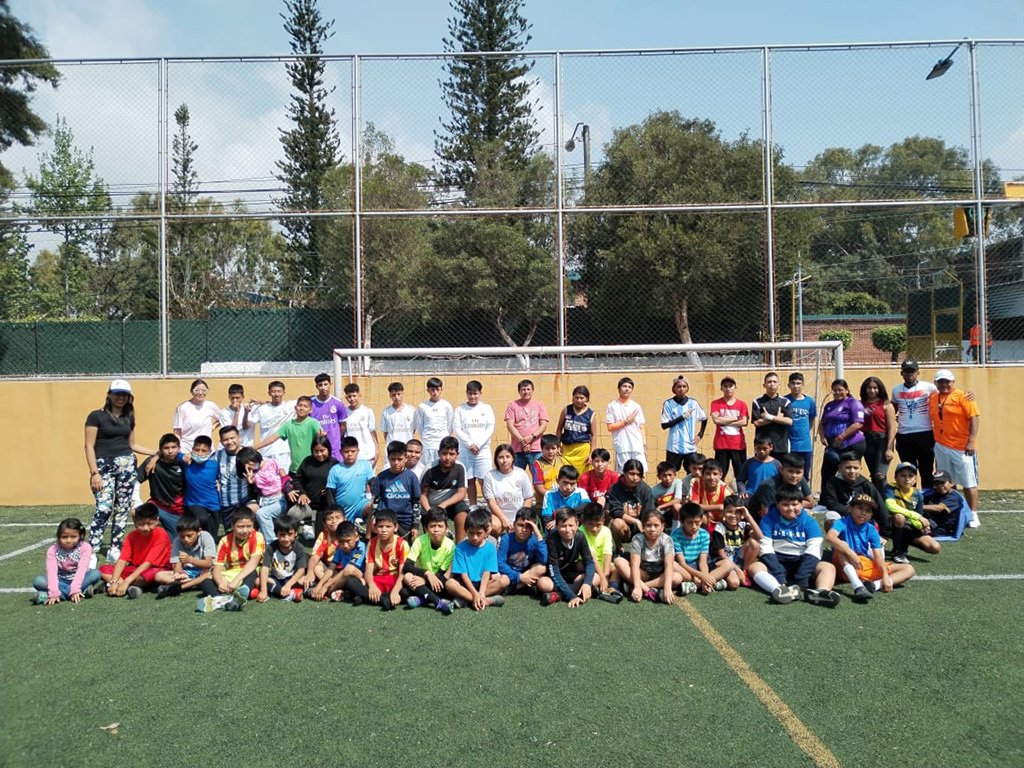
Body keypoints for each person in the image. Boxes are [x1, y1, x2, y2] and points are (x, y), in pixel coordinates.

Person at [84, 378, 156, 567]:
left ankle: (115, 548)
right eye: (117, 394)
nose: (120, 398)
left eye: (124, 394)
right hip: (103, 468)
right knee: (104, 508)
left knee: (123, 508)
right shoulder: (96, 416)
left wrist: (155, 452)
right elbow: (89, 446)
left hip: (127, 467)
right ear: (109, 395)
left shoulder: (129, 417)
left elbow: (132, 445)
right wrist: (94, 473)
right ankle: (92, 549)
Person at [747, 487, 840, 607]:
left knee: (828, 567)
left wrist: (802, 578)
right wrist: (779, 576)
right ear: (777, 505)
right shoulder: (768, 520)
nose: (790, 508)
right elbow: (766, 549)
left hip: (802, 561)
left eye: (795, 504)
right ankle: (779, 590)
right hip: (777, 561)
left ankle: (820, 593)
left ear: (802, 504)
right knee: (755, 567)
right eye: (785, 504)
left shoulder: (809, 521)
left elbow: (814, 550)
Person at [827, 493, 915, 601]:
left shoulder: (871, 528)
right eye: (859, 508)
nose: (863, 513)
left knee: (909, 569)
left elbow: (878, 556)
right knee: (842, 545)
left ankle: (874, 586)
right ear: (850, 508)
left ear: (871, 515)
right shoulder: (842, 522)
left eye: (868, 511)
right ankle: (857, 586)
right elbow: (830, 537)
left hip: (862, 564)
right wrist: (850, 553)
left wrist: (885, 577)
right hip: (844, 566)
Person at [928, 369, 981, 517]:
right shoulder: (932, 398)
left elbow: (975, 418)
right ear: (935, 383)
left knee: (969, 481)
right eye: (941, 381)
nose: (944, 384)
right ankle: (955, 511)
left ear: (953, 382)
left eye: (947, 381)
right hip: (941, 445)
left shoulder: (964, 397)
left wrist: (971, 441)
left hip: (962, 447)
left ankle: (973, 514)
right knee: (947, 482)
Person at [97, 503, 171, 599]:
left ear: (157, 521)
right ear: (135, 522)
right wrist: (114, 581)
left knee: (152, 575)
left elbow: (148, 563)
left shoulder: (161, 535)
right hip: (137, 570)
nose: (145, 528)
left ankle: (123, 585)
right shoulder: (131, 536)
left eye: (149, 524)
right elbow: (122, 560)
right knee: (103, 570)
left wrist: (127, 581)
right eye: (141, 524)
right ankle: (128, 586)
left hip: (156, 569)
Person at [197, 507, 264, 612]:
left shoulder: (257, 536)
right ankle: (225, 600)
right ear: (232, 526)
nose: (245, 530)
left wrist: (235, 581)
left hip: (248, 574)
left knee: (253, 573)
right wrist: (220, 583)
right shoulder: (225, 540)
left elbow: (254, 562)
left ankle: (225, 598)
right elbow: (217, 566)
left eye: (249, 526)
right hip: (231, 575)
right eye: (240, 527)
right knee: (205, 582)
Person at [445, 508, 508, 610]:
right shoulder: (460, 548)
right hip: (465, 584)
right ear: (466, 531)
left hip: (483, 585)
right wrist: (475, 594)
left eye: (479, 533)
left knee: (504, 580)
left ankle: (466, 599)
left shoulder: (490, 548)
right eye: (471, 533)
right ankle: (486, 601)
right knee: (450, 584)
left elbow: (486, 572)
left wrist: (481, 593)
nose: (475, 537)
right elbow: (463, 574)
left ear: (486, 532)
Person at [612, 508, 679, 604]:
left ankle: (638, 586)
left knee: (677, 577)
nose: (652, 529)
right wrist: (638, 587)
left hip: (659, 574)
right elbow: (635, 564)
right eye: (648, 525)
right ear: (643, 526)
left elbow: (669, 564)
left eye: (656, 525)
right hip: (642, 573)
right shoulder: (638, 539)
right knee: (618, 561)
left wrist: (667, 588)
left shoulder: (667, 540)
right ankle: (648, 591)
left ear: (662, 526)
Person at [32, 518, 101, 605]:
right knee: (38, 581)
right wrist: (53, 591)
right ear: (59, 536)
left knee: (95, 574)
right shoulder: (52, 550)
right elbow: (52, 572)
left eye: (73, 537)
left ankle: (51, 596)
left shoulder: (85, 547)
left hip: (81, 579)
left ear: (80, 536)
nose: (69, 540)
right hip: (60, 580)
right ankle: (82, 591)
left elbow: (82, 569)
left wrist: (75, 588)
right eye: (64, 537)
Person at [537, 506, 597, 607]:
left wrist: (587, 583)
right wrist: (571, 596)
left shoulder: (580, 536)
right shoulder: (552, 539)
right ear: (556, 526)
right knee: (543, 583)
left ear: (577, 524)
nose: (568, 530)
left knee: (596, 577)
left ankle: (559, 595)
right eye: (563, 526)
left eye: (571, 525)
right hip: (554, 576)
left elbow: (589, 562)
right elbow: (554, 570)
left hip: (571, 573)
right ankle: (575, 592)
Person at [821, 452, 889, 537]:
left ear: (860, 468)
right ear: (840, 468)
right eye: (848, 467)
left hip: (863, 520)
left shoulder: (866, 484)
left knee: (872, 549)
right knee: (831, 517)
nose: (852, 471)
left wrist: (885, 532)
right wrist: (852, 513)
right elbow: (831, 503)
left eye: (855, 468)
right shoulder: (833, 482)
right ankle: (837, 546)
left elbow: (880, 507)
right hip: (842, 517)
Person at [401, 508, 456, 614]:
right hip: (423, 579)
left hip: (440, 581)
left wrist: (426, 581)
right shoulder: (420, 541)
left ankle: (422, 599)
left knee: (405, 593)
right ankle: (438, 602)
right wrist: (426, 574)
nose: (436, 530)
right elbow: (407, 565)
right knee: (407, 576)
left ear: (446, 528)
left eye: (440, 526)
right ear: (426, 528)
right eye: (432, 526)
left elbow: (443, 573)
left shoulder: (450, 546)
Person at [891, 360, 937, 487]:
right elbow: (892, 409)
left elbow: (944, 397)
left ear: (918, 372)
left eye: (912, 371)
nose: (909, 374)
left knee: (926, 469)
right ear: (902, 373)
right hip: (904, 434)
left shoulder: (929, 387)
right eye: (907, 371)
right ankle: (911, 500)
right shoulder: (896, 390)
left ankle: (928, 501)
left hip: (925, 433)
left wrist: (967, 394)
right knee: (908, 471)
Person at [884, 462, 940, 564]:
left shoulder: (918, 495)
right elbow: (890, 506)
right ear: (895, 477)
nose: (907, 479)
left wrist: (921, 525)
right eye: (903, 475)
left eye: (911, 476)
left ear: (915, 479)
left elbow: (919, 514)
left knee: (935, 547)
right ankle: (897, 552)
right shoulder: (890, 488)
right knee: (899, 517)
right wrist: (916, 516)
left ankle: (904, 543)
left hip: (909, 527)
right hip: (890, 524)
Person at [817, 378, 865, 492]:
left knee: (848, 472)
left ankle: (851, 498)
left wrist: (841, 437)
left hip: (850, 444)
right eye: (834, 391)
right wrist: (822, 436)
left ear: (847, 390)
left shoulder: (853, 403)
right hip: (833, 445)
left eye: (840, 390)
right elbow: (822, 423)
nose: (837, 393)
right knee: (827, 472)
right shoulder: (829, 405)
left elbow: (858, 423)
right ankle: (825, 500)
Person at [255, 395, 323, 475]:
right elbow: (273, 437)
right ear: (295, 407)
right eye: (300, 405)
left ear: (310, 410)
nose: (302, 408)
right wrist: (255, 447)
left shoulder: (313, 423)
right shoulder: (289, 424)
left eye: (305, 406)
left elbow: (321, 437)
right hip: (294, 469)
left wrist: (322, 436)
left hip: (311, 467)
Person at [453, 380, 495, 507]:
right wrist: (470, 444)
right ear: (466, 393)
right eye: (470, 393)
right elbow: (457, 429)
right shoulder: (460, 409)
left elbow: (490, 427)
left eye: (475, 394)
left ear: (480, 393)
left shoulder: (486, 408)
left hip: (483, 450)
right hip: (466, 451)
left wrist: (478, 444)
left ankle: (489, 506)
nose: (472, 396)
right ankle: (473, 506)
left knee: (484, 480)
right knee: (469, 480)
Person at [419, 436, 470, 540]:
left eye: (451, 454)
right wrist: (430, 512)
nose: (447, 457)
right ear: (439, 453)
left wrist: (443, 505)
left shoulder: (460, 468)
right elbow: (422, 495)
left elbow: (461, 493)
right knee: (433, 540)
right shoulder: (429, 469)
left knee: (462, 510)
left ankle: (459, 546)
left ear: (457, 455)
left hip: (448, 505)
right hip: (431, 506)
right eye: (444, 453)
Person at [154, 515, 215, 599]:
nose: (186, 539)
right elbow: (177, 566)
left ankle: (181, 586)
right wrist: (178, 574)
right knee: (159, 576)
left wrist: (190, 560)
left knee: (212, 574)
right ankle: (195, 583)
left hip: (206, 570)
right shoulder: (177, 541)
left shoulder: (206, 537)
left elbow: (208, 563)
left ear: (199, 531)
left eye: (189, 536)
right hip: (188, 573)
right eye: (182, 536)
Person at [137, 433, 187, 536]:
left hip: (179, 510)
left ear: (179, 448)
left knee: (177, 543)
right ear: (160, 450)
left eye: (173, 447)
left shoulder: (185, 463)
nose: (170, 451)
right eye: (166, 448)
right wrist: (136, 502)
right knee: (141, 511)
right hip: (158, 506)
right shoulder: (152, 462)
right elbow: (135, 480)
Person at [672, 502, 727, 594]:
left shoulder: (704, 534)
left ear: (701, 520)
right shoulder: (675, 536)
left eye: (697, 523)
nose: (694, 526)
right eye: (690, 523)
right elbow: (682, 564)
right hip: (685, 568)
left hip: (699, 566)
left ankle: (697, 585)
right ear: (682, 522)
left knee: (727, 564)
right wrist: (702, 576)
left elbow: (703, 561)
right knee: (673, 567)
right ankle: (712, 582)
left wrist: (704, 576)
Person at [235, 446, 287, 544]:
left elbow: (285, 479)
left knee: (262, 514)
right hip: (265, 501)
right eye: (244, 464)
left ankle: (272, 544)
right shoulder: (252, 473)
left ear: (253, 456)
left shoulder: (272, 463)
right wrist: (251, 483)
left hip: (279, 499)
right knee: (262, 528)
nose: (248, 466)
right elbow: (254, 494)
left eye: (248, 461)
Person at [709, 496, 762, 589]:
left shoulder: (743, 525)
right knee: (734, 584)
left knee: (754, 543)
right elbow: (721, 555)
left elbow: (759, 537)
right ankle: (723, 577)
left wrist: (748, 517)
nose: (733, 515)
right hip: (725, 561)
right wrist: (737, 570)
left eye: (737, 512)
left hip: (739, 558)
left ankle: (745, 571)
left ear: (742, 514)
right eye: (729, 511)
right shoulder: (719, 528)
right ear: (723, 512)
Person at [483, 443, 535, 538]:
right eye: (501, 457)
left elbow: (528, 498)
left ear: (513, 458)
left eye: (507, 457)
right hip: (498, 516)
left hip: (518, 515)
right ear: (496, 460)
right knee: (494, 526)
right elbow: (491, 502)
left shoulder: (521, 474)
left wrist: (520, 518)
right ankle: (496, 544)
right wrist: (504, 520)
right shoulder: (489, 476)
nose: (504, 460)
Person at [371, 441, 421, 538]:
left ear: (406, 458)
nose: (396, 463)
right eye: (393, 459)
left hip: (405, 521)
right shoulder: (381, 477)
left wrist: (415, 525)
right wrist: (374, 517)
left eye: (400, 459)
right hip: (384, 520)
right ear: (388, 458)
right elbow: (375, 500)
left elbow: (416, 503)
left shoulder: (411, 477)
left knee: (403, 550)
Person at [310, 521, 367, 603]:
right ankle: (335, 589)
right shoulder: (339, 548)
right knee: (317, 568)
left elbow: (348, 570)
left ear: (356, 537)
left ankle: (329, 592)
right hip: (342, 575)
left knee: (348, 571)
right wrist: (319, 585)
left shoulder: (360, 547)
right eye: (341, 542)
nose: (345, 545)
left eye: (348, 541)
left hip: (359, 577)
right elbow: (331, 568)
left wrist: (325, 586)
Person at [660, 375, 707, 473]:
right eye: (679, 386)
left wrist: (700, 434)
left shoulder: (693, 403)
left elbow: (704, 418)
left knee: (693, 473)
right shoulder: (668, 404)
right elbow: (664, 425)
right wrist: (682, 417)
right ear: (674, 389)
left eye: (684, 386)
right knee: (670, 472)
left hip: (690, 446)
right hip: (674, 446)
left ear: (687, 388)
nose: (681, 389)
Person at [325, 436, 374, 530]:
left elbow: (372, 483)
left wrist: (374, 499)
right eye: (346, 452)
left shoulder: (365, 465)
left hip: (360, 504)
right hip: (342, 509)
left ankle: (367, 534)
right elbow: (330, 492)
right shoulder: (335, 470)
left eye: (353, 451)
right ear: (341, 452)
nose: (350, 454)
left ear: (358, 451)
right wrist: (334, 512)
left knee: (373, 507)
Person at [606, 459, 656, 549]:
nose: (635, 478)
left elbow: (650, 512)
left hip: (642, 528)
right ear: (624, 473)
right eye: (632, 474)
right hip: (626, 528)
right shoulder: (615, 488)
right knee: (616, 523)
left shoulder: (646, 490)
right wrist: (636, 521)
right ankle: (619, 548)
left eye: (638, 475)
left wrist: (645, 528)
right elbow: (616, 512)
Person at [257, 516, 308, 602]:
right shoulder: (271, 548)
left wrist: (288, 585)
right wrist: (263, 591)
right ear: (276, 534)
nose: (286, 538)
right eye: (282, 535)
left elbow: (301, 570)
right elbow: (265, 568)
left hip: (293, 579)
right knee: (258, 581)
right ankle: (290, 593)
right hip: (276, 578)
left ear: (296, 533)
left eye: (290, 534)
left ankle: (281, 592)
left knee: (305, 580)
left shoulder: (298, 548)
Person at [212, 425, 252, 536]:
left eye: (232, 438)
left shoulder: (248, 453)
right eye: (225, 439)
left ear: (239, 437)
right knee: (231, 535)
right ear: (221, 441)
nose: (230, 442)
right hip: (226, 503)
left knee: (250, 524)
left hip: (245, 499)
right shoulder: (217, 456)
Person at [497, 508, 548, 594]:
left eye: (528, 527)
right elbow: (500, 563)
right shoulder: (506, 539)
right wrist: (519, 577)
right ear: (514, 525)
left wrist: (538, 535)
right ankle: (520, 585)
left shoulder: (534, 540)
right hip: (509, 573)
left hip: (527, 573)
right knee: (496, 575)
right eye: (520, 525)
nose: (524, 530)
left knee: (542, 568)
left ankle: (515, 588)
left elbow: (544, 559)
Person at [859, 376, 897, 493]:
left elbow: (892, 427)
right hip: (867, 440)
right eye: (869, 388)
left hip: (883, 440)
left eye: (875, 388)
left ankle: (884, 502)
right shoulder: (860, 404)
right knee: (874, 474)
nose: (872, 390)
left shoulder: (886, 404)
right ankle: (875, 502)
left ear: (879, 389)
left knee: (881, 475)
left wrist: (889, 448)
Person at [750, 452, 815, 519]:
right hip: (758, 520)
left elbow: (810, 503)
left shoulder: (800, 479)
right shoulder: (768, 486)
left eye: (798, 472)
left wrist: (795, 507)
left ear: (803, 472)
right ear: (781, 470)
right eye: (790, 471)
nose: (794, 476)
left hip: (782, 515)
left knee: (807, 516)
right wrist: (795, 508)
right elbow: (767, 515)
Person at [250, 381, 296, 473]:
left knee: (284, 480)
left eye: (279, 391)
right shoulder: (261, 409)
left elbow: (309, 399)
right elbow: (249, 423)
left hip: (284, 451)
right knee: (268, 480)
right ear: (269, 393)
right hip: (266, 452)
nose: (276, 394)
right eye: (274, 391)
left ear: (283, 392)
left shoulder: (291, 406)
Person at [710, 375, 749, 483]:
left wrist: (725, 420)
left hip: (738, 444)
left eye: (731, 386)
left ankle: (742, 496)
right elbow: (716, 421)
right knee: (720, 473)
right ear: (721, 388)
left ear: (735, 387)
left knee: (740, 474)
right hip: (721, 444)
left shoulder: (742, 404)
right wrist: (734, 418)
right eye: (725, 386)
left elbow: (744, 422)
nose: (728, 388)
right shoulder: (716, 403)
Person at [504, 379, 549, 470]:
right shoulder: (512, 405)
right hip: (518, 449)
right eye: (523, 389)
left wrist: (532, 437)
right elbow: (510, 425)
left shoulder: (539, 405)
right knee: (516, 478)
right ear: (519, 391)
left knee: (538, 478)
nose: (526, 392)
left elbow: (543, 425)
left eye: (528, 389)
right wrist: (523, 442)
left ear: (532, 390)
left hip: (536, 449)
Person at [300, 506, 346, 594]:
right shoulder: (323, 535)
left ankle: (329, 587)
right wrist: (310, 572)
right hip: (329, 568)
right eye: (330, 519)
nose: (334, 521)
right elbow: (315, 556)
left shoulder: (350, 533)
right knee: (316, 567)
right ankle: (332, 586)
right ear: (324, 524)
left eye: (338, 517)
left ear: (345, 519)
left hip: (345, 568)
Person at [605, 376, 647, 473]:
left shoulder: (636, 406)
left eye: (629, 387)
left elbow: (641, 426)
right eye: (624, 386)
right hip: (622, 445)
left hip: (637, 445)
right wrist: (625, 422)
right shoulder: (612, 406)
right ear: (619, 388)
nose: (627, 389)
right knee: (623, 473)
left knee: (640, 471)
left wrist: (644, 445)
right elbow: (610, 427)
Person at [181, 435, 220, 537]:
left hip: (213, 504)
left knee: (212, 537)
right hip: (193, 503)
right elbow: (171, 454)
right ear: (192, 449)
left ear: (209, 451)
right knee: (202, 520)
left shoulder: (214, 465)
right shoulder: (187, 462)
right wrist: (155, 458)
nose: (199, 453)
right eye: (197, 450)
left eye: (204, 451)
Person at [751, 371, 793, 458]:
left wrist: (768, 417)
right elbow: (757, 423)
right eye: (769, 382)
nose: (772, 384)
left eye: (775, 382)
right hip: (763, 446)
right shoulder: (757, 402)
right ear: (764, 385)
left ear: (779, 385)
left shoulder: (785, 402)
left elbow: (789, 421)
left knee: (780, 470)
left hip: (781, 445)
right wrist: (778, 419)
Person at [172, 378, 220, 454]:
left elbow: (223, 418)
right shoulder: (183, 408)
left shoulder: (210, 405)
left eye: (204, 390)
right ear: (191, 391)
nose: (200, 393)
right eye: (197, 390)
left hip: (206, 449)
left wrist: (214, 426)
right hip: (187, 449)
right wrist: (178, 450)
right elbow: (177, 432)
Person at [556, 385, 596, 475]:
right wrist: (557, 445)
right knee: (565, 475)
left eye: (582, 398)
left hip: (583, 450)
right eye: (576, 397)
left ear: (587, 399)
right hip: (566, 449)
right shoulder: (566, 410)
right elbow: (559, 428)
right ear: (572, 398)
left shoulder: (591, 414)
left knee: (583, 477)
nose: (579, 400)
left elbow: (594, 435)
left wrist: (591, 454)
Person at [417, 377, 455, 468]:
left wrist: (444, 437)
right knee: (428, 469)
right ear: (428, 390)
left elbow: (450, 425)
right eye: (432, 390)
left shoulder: (446, 405)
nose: (435, 392)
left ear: (441, 389)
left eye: (437, 389)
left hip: (442, 443)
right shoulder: (422, 406)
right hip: (428, 444)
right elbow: (420, 426)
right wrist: (427, 438)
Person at [310, 372, 348, 463]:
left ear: (330, 384)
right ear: (316, 387)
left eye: (325, 384)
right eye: (320, 385)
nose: (323, 387)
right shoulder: (311, 403)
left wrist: (336, 438)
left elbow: (342, 425)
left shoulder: (338, 403)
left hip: (335, 448)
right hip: (318, 448)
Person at [540, 465, 590, 530]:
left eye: (572, 484)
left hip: (576, 529)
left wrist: (563, 516)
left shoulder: (580, 492)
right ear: (557, 481)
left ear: (576, 483)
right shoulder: (549, 494)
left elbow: (587, 507)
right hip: (556, 530)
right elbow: (547, 519)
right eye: (565, 483)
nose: (568, 487)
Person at [343, 382, 379, 469]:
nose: (352, 399)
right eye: (349, 396)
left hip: (367, 454)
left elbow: (373, 433)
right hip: (351, 455)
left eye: (354, 396)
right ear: (346, 397)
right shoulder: (344, 412)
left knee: (368, 481)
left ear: (359, 395)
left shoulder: (368, 411)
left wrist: (377, 451)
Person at [687, 457, 729, 524]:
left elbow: (728, 511)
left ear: (720, 475)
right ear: (702, 475)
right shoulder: (696, 483)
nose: (711, 478)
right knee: (700, 517)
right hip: (703, 519)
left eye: (715, 474)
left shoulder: (725, 492)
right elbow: (694, 506)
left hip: (720, 523)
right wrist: (719, 507)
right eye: (708, 474)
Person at [531, 434, 565, 506]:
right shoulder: (537, 465)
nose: (550, 451)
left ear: (558, 449)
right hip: (544, 503)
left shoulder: (561, 461)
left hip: (561, 501)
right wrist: (555, 497)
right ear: (542, 449)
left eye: (553, 448)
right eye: (547, 448)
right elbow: (540, 489)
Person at [380, 381, 417, 446]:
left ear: (403, 394)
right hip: (393, 449)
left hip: (407, 447)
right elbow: (385, 433)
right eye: (394, 395)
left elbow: (413, 429)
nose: (396, 397)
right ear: (390, 396)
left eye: (399, 394)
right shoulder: (385, 412)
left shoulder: (411, 410)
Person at [651, 461, 685, 529]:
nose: (668, 478)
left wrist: (660, 507)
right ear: (658, 477)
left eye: (670, 475)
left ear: (675, 475)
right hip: (662, 515)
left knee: (677, 506)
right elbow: (653, 506)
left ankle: (677, 528)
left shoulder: (677, 482)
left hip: (676, 513)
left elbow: (677, 500)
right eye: (664, 475)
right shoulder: (654, 490)